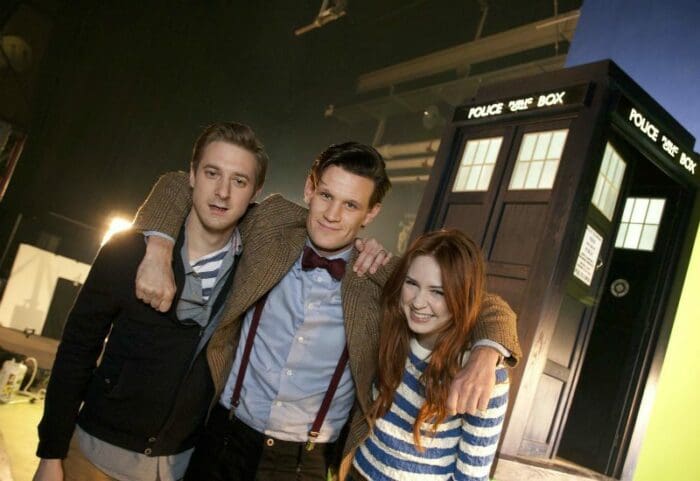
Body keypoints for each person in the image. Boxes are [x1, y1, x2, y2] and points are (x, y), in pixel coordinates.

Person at [131, 141, 522, 481]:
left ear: (371, 213)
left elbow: (474, 299)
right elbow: (177, 184)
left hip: (306, 462)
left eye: (351, 205)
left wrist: (486, 352)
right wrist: (159, 249)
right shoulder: (271, 223)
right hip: (223, 435)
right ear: (309, 189)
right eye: (326, 196)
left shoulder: (379, 273)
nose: (332, 215)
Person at [33, 121, 270, 481]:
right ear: (192, 175)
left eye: (239, 181)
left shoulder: (252, 273)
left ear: (255, 192)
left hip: (177, 469)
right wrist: (50, 453)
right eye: (212, 173)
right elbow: (76, 350)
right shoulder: (128, 251)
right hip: (92, 458)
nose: (222, 192)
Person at [352, 229, 509, 481]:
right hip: (358, 470)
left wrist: (489, 351)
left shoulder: (481, 372)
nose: (418, 302)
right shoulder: (394, 328)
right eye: (412, 283)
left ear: (462, 296)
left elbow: (472, 472)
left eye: (438, 292)